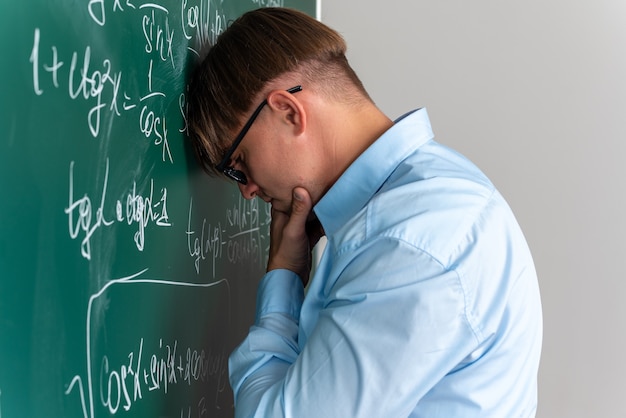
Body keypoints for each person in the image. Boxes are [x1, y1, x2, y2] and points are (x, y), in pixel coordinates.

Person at [187, 7, 542, 418]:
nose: (247, 191)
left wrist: (283, 278)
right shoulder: (431, 198)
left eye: (240, 163)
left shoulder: (409, 245)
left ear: (288, 112)